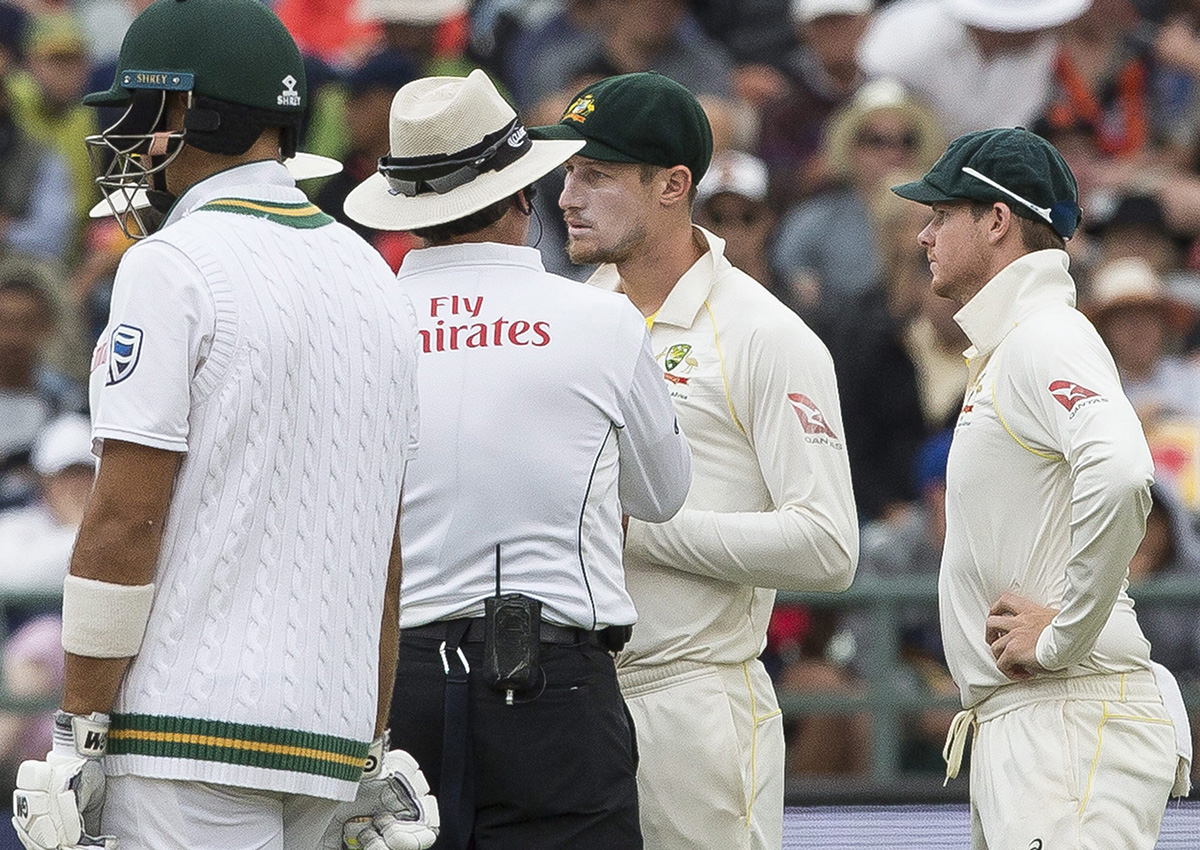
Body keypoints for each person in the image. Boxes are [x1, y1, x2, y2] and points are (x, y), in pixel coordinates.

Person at [10, 2, 437, 850]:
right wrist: (375, 734)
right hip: (333, 732)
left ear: (187, 111)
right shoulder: (372, 272)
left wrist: (78, 727)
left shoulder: (170, 264)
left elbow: (126, 515)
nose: (129, 137)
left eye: (142, 110)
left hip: (183, 730)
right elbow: (385, 545)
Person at [344, 69, 692, 849]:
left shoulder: (359, 325)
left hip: (390, 686)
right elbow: (664, 496)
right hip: (553, 689)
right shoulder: (601, 319)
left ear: (409, 211)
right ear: (521, 196)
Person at [533, 71, 859, 850]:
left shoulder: (765, 335)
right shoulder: (577, 311)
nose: (568, 196)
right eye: (567, 172)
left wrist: (639, 534)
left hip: (696, 705)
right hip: (569, 697)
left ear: (674, 185)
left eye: (597, 175)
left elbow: (828, 547)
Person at [892, 126, 1189, 849]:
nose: (924, 235)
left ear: (996, 220)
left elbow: (1121, 473)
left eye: (941, 215)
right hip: (1041, 721)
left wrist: (1060, 637)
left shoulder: (1044, 336)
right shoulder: (1019, 344)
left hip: (1066, 713)